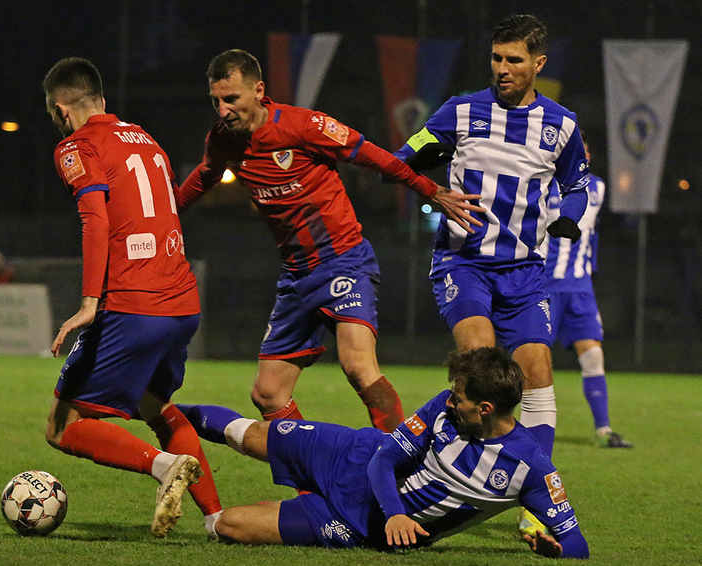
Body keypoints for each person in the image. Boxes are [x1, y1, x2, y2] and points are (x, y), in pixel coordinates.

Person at [176, 49, 484, 433]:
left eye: (231, 99)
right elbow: (206, 174)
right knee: (268, 393)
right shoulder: (223, 140)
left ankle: (399, 462)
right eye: (216, 101)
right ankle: (312, 474)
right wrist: (166, 212)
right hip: (296, 275)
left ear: (258, 90)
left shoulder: (303, 126)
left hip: (343, 260)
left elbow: (374, 156)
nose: (222, 110)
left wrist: (430, 190)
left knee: (357, 365)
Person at [394, 14, 590, 461]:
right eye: (497, 58)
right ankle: (450, 467)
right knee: (479, 362)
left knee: (537, 370)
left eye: (514, 60)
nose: (502, 68)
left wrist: (569, 218)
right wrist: (433, 188)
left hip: (524, 272)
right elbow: (401, 160)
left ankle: (535, 489)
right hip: (464, 264)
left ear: (538, 63)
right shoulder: (460, 110)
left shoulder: (561, 125)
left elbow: (577, 184)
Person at [175, 347, 589, 559]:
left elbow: (577, 543)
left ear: (484, 409)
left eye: (459, 398)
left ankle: (291, 507)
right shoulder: (443, 408)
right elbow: (384, 460)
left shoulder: (530, 469)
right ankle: (156, 410)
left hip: (356, 523)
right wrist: (396, 513)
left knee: (229, 526)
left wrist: (555, 550)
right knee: (244, 435)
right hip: (352, 455)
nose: (449, 402)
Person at [41, 57, 223, 538]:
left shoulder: (77, 146)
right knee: (155, 404)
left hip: (132, 303)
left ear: (62, 109)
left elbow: (95, 220)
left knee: (64, 427)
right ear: (101, 97)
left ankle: (163, 467)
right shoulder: (147, 140)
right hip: (182, 302)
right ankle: (217, 519)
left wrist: (88, 302)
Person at [543, 134, 632, 448]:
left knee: (593, 356)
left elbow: (591, 234)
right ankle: (502, 424)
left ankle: (604, 430)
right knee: (532, 358)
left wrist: (590, 268)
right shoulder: (540, 182)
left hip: (580, 288)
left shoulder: (598, 187)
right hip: (544, 285)